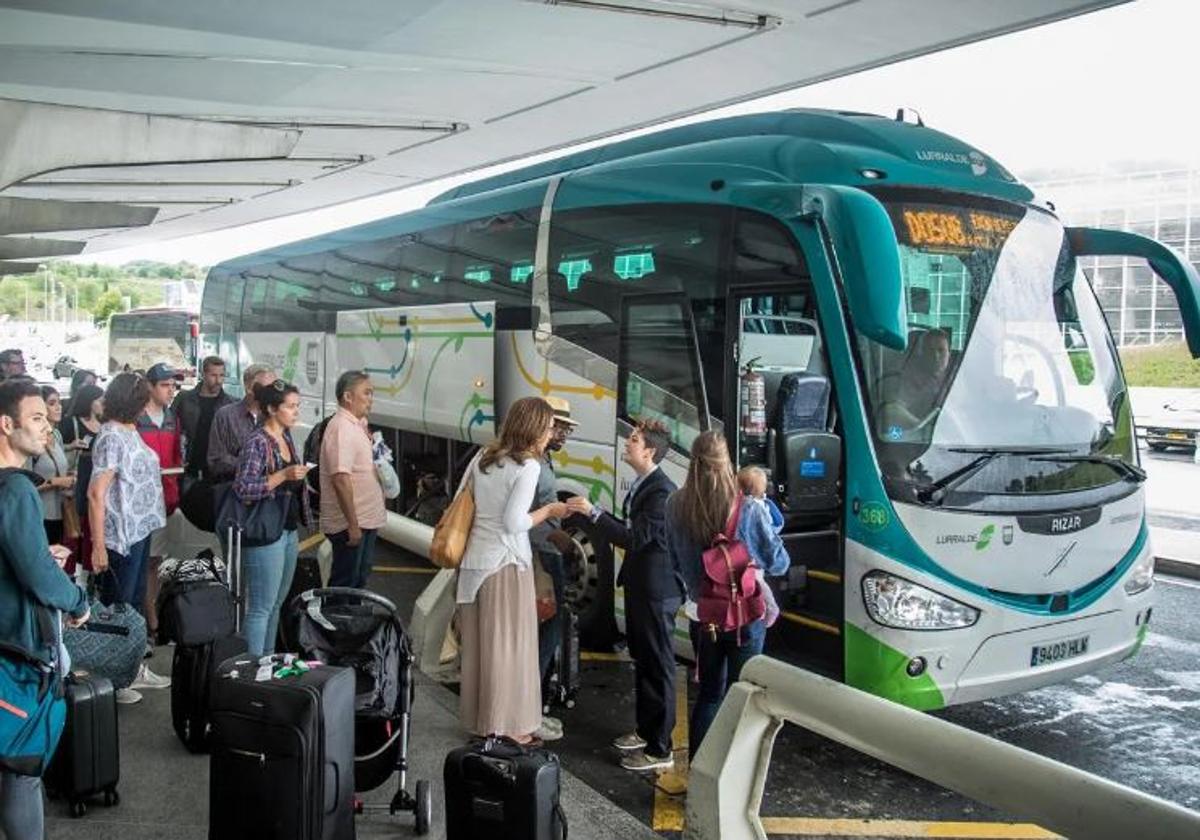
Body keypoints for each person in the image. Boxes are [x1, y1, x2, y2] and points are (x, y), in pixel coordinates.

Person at [0, 379, 89, 839]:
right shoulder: (15, 489)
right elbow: (36, 576)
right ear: (6, 424)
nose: (47, 428)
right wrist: (77, 600)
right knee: (21, 768)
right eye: (36, 418)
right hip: (15, 649)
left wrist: (36, 553)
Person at [665, 430, 789, 758]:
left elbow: (674, 561)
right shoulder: (748, 508)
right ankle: (729, 778)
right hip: (745, 618)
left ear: (693, 463)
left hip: (703, 615)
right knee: (742, 697)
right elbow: (778, 564)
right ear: (727, 463)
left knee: (709, 695)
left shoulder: (675, 505)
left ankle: (699, 772)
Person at [568, 419, 682, 772]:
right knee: (644, 659)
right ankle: (646, 731)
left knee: (658, 663)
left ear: (649, 450)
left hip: (656, 591)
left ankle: (661, 749)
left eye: (633, 439)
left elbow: (634, 539)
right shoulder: (645, 484)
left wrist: (593, 513)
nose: (627, 443)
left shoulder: (661, 492)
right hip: (641, 586)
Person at [457, 397, 569, 746]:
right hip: (507, 565)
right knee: (510, 649)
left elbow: (466, 500)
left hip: (475, 564)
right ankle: (508, 728)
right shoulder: (529, 466)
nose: (552, 432)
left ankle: (484, 723)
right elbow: (514, 522)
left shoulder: (484, 457)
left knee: (483, 648)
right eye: (549, 426)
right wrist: (550, 509)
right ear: (535, 427)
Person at [86, 372, 171, 694]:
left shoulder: (127, 430)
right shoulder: (111, 436)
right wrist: (98, 546)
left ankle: (132, 668)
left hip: (138, 528)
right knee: (119, 607)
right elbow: (97, 493)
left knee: (132, 604)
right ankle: (115, 677)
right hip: (120, 533)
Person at [232, 380, 312, 656]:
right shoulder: (257, 441)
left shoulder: (287, 437)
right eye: (290, 407)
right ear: (271, 409)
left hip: (287, 529)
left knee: (276, 603)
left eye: (297, 406)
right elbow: (243, 487)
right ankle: (252, 669)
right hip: (264, 531)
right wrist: (283, 476)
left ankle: (266, 664)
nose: (295, 412)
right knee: (261, 607)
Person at [530, 396, 577, 713]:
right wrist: (553, 532)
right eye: (559, 428)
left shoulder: (543, 459)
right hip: (540, 555)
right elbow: (518, 516)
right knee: (547, 627)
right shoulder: (531, 463)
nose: (563, 435)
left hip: (544, 551)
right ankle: (531, 704)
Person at [136, 363, 185, 653]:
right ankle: (147, 621)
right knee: (140, 563)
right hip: (140, 503)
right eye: (165, 385)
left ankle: (151, 616)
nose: (171, 390)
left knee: (154, 562)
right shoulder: (134, 418)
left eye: (172, 385)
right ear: (150, 387)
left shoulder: (171, 418)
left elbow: (177, 455)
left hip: (164, 501)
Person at [320, 371, 386, 589]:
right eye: (366, 393)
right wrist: (353, 525)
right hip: (350, 523)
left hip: (365, 520)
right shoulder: (342, 429)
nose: (371, 398)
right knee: (345, 584)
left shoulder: (357, 425)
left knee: (358, 579)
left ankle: (353, 621)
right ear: (348, 397)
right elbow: (340, 478)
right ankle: (338, 622)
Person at [61, 381, 104, 586]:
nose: (103, 403)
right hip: (73, 486)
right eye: (99, 400)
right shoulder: (71, 424)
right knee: (74, 534)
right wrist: (71, 446)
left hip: (95, 486)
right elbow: (57, 450)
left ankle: (89, 579)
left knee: (89, 535)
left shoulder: (106, 427)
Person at [206, 363, 276, 481]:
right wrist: (252, 464)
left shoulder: (275, 417)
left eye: (273, 388)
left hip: (269, 493)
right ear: (248, 387)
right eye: (266, 387)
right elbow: (216, 460)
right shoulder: (225, 416)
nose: (272, 393)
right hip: (233, 491)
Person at [735, 466, 782, 627]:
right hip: (755, 558)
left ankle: (769, 608)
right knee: (757, 582)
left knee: (757, 583)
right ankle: (763, 609)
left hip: (751, 559)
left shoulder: (751, 507)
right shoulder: (764, 505)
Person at [173, 355, 234, 479]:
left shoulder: (231, 403)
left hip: (219, 470)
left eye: (221, 375)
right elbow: (171, 427)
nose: (218, 380)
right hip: (190, 465)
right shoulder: (184, 399)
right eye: (213, 375)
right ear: (203, 374)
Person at [31, 386, 75, 549]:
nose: (58, 407)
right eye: (52, 403)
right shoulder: (32, 441)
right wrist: (56, 482)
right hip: (40, 515)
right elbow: (25, 486)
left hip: (60, 511)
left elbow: (59, 466)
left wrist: (70, 476)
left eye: (59, 402)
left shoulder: (56, 435)